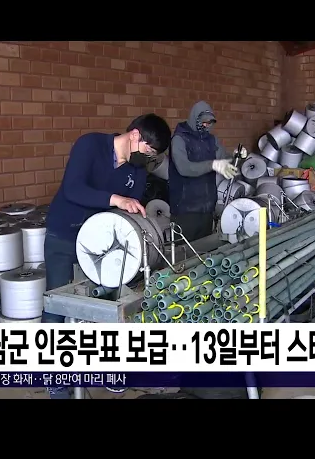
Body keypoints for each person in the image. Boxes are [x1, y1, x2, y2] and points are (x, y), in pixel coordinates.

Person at [42, 113, 172, 399]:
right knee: (56, 304)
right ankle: (54, 376)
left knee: (108, 304)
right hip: (64, 234)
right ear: (135, 135)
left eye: (153, 156)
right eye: (149, 150)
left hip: (101, 241)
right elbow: (73, 189)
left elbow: (124, 211)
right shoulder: (90, 145)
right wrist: (116, 199)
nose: (148, 158)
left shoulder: (137, 171)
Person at [169, 101, 247, 242]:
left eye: (209, 122)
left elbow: (224, 159)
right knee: (184, 251)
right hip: (185, 209)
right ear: (194, 118)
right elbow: (184, 168)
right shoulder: (179, 139)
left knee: (204, 248)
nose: (206, 125)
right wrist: (212, 165)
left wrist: (237, 156)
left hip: (207, 208)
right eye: (203, 122)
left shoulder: (211, 140)